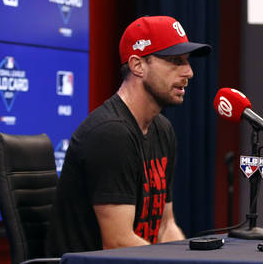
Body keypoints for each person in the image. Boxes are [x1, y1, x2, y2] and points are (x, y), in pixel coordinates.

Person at [45, 15, 211, 255]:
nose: (189, 72)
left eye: (187, 61)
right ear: (137, 65)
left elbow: (166, 226)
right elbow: (117, 243)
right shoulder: (110, 134)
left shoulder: (162, 130)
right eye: (175, 61)